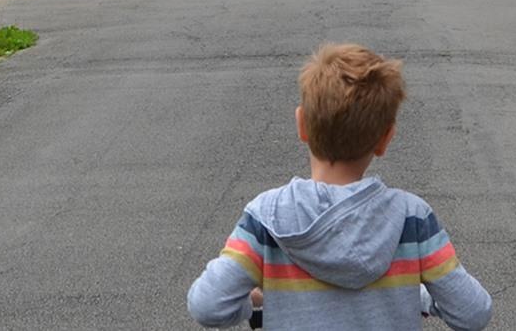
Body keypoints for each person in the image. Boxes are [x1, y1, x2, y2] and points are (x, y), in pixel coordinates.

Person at [187, 44, 492, 330]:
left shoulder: (267, 218)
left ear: (301, 125)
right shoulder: (412, 220)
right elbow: (473, 312)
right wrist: (421, 296)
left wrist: (255, 301)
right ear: (386, 139)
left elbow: (207, 306)